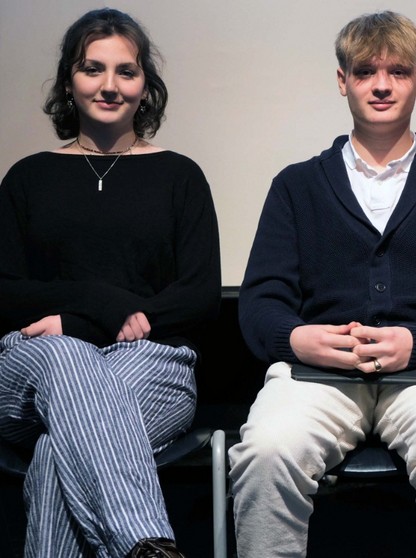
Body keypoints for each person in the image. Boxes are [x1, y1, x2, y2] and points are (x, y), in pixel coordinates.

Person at [229, 10, 416, 558]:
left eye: (398, 71)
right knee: (266, 449)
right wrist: (296, 339)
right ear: (343, 81)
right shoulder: (296, 185)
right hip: (319, 374)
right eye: (365, 72)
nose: (381, 85)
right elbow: (261, 300)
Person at [0, 8, 221, 558]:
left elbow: (198, 296)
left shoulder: (180, 176)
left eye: (126, 71)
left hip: (151, 362)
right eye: (92, 68)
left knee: (58, 451)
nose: (109, 85)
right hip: (37, 362)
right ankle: (145, 541)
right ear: (68, 82)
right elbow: (3, 290)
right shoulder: (27, 177)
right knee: (66, 357)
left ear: (145, 86)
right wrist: (97, 304)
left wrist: (80, 323)